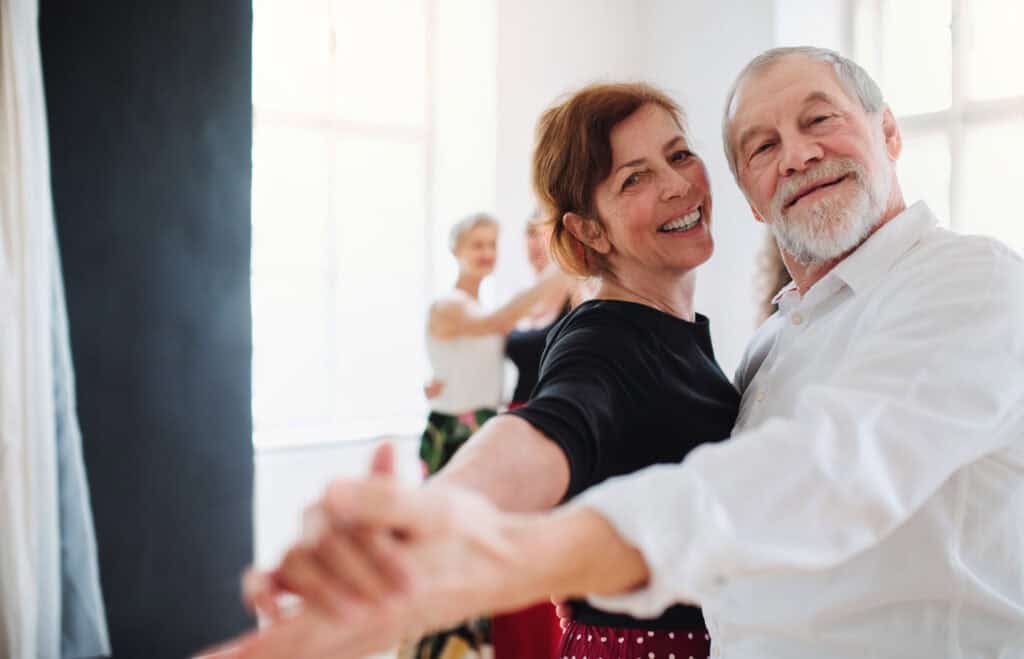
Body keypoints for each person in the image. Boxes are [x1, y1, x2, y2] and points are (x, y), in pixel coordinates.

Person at [227, 47, 1024, 659]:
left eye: (820, 120)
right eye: (761, 144)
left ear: (889, 132)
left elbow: (828, 468)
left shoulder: (964, 281)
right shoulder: (661, 336)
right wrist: (445, 511)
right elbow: (560, 417)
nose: (798, 154)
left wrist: (508, 554)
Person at [239, 82, 742, 659]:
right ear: (588, 230)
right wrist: (439, 510)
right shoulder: (606, 339)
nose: (678, 185)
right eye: (634, 178)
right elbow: (552, 423)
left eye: (678, 155)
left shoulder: (672, 332)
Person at [415, 212, 571, 657]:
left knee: (480, 555)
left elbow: (473, 355)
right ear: (455, 251)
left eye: (491, 244)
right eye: (476, 245)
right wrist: (565, 263)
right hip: (457, 435)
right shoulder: (451, 306)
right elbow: (495, 325)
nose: (485, 253)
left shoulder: (478, 308)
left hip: (484, 425)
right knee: (451, 553)